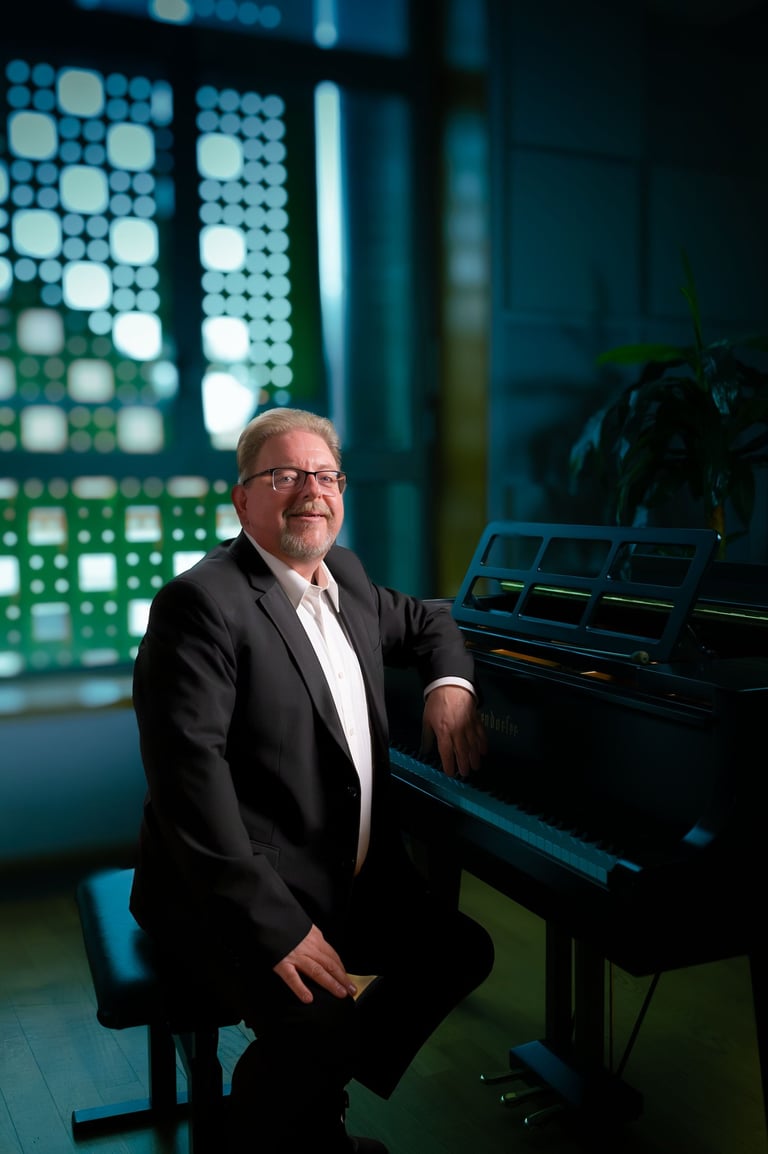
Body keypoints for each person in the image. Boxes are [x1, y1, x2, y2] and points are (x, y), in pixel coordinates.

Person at [129, 407, 495, 1153]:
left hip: (341, 882)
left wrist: (448, 685)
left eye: (325, 475)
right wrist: (278, 927)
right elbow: (187, 790)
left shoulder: (348, 577)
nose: (311, 490)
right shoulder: (200, 604)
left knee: (461, 950)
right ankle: (280, 1126)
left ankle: (300, 1109)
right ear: (242, 499)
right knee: (321, 1021)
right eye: (284, 475)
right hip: (227, 892)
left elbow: (430, 620)